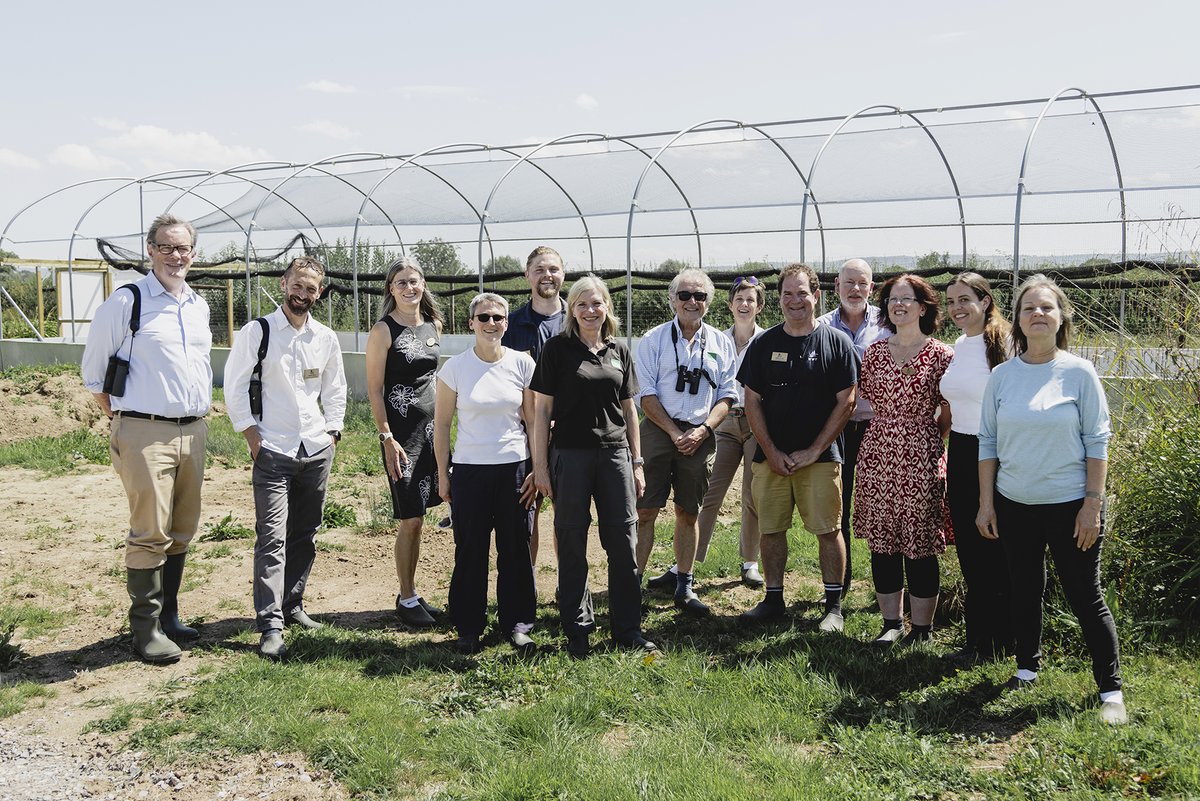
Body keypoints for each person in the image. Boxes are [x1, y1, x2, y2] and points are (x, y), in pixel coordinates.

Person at [977, 274, 1125, 724]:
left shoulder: (1079, 373)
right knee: (1025, 586)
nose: (1037, 314)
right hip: (1014, 503)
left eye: (1046, 307)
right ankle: (1027, 666)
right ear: (1017, 321)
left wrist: (1091, 505)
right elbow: (988, 442)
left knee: (1085, 594)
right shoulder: (1002, 377)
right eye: (1028, 308)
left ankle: (1111, 690)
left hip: (1070, 506)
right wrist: (986, 503)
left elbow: (1098, 440)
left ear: (1061, 317)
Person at [81, 213, 212, 664]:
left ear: (194, 254)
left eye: (183, 248)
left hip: (192, 431)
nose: (176, 256)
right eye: (166, 247)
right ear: (150, 249)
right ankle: (146, 629)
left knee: (181, 528)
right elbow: (95, 373)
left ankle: (170, 615)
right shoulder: (127, 301)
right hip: (145, 430)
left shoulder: (198, 304)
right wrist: (125, 422)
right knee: (150, 531)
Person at [223, 255, 347, 661]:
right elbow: (235, 384)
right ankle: (270, 625)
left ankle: (293, 604)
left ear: (320, 292)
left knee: (305, 532)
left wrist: (332, 432)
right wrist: (250, 433)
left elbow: (334, 388)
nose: (303, 293)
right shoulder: (258, 332)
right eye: (298, 284)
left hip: (314, 448)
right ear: (283, 284)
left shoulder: (325, 338)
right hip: (273, 448)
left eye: (312, 288)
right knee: (272, 537)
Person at [530, 275, 655, 656]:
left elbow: (630, 411)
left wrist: (636, 461)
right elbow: (542, 412)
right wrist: (540, 466)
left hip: (615, 455)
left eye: (596, 303)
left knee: (622, 542)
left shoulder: (620, 350)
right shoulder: (557, 350)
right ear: (572, 310)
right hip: (570, 455)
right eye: (582, 304)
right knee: (571, 541)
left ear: (607, 308)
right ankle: (578, 629)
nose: (590, 310)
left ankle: (627, 628)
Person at [737, 263, 858, 632]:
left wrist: (813, 450)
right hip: (770, 461)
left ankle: (833, 606)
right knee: (771, 530)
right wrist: (771, 452)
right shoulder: (763, 344)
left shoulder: (836, 342)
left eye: (802, 293)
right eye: (787, 294)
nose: (795, 301)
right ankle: (773, 600)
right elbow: (752, 400)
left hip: (820, 460)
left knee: (828, 530)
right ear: (778, 300)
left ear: (816, 295)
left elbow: (847, 401)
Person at [434, 292, 538, 654]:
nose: (491, 323)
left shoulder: (522, 364)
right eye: (483, 318)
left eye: (498, 317)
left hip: (514, 470)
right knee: (471, 550)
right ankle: (468, 625)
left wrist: (537, 469)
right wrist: (444, 475)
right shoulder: (455, 368)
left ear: (507, 323)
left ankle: (518, 623)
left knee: (515, 549)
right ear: (471, 324)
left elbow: (535, 421)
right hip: (469, 471)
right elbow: (443, 425)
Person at [853, 274, 953, 646]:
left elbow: (948, 412)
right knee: (883, 542)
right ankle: (891, 622)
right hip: (878, 451)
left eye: (906, 299)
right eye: (892, 299)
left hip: (921, 452)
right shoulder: (875, 353)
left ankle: (922, 629)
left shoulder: (942, 355)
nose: (898, 304)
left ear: (923, 307)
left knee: (920, 542)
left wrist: (922, 438)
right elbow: (867, 399)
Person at [635, 268, 739, 616]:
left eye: (700, 296)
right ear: (672, 300)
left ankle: (684, 584)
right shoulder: (653, 339)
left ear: (709, 303)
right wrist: (673, 432)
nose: (692, 302)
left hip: (700, 435)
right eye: (684, 296)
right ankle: (631, 582)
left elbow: (728, 394)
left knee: (688, 511)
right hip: (658, 432)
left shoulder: (721, 343)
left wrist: (704, 430)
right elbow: (645, 393)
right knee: (645, 509)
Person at [365, 256, 444, 627]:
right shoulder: (384, 331)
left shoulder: (434, 326)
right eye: (401, 283)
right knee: (410, 518)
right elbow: (375, 390)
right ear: (390, 289)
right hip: (401, 438)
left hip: (432, 435)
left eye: (415, 281)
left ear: (423, 284)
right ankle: (407, 597)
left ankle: (412, 593)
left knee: (422, 517)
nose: (409, 288)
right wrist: (387, 437)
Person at [939, 272, 1013, 663]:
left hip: (997, 451)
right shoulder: (960, 344)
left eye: (964, 299)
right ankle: (979, 640)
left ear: (985, 301)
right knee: (970, 548)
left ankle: (1005, 641)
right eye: (951, 301)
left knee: (996, 546)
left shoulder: (1004, 342)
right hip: (962, 451)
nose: (956, 308)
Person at [817, 258, 891, 596]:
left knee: (883, 504)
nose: (856, 289)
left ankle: (887, 589)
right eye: (849, 283)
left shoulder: (888, 323)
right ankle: (840, 585)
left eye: (863, 283)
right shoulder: (820, 327)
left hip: (878, 426)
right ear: (837, 286)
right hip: (838, 426)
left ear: (872, 288)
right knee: (838, 502)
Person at [695, 275, 768, 588]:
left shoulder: (767, 341)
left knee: (753, 496)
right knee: (709, 492)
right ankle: (688, 561)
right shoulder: (716, 341)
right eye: (739, 299)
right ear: (729, 305)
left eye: (750, 299)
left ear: (759, 307)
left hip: (756, 424)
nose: (744, 304)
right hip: (723, 422)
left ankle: (750, 562)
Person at [502, 245, 567, 566]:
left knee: (567, 514)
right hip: (523, 434)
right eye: (540, 269)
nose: (547, 275)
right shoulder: (509, 326)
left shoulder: (579, 319)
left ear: (563, 275)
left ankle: (567, 587)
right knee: (527, 509)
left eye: (553, 269)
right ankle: (523, 588)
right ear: (527, 275)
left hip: (570, 435)